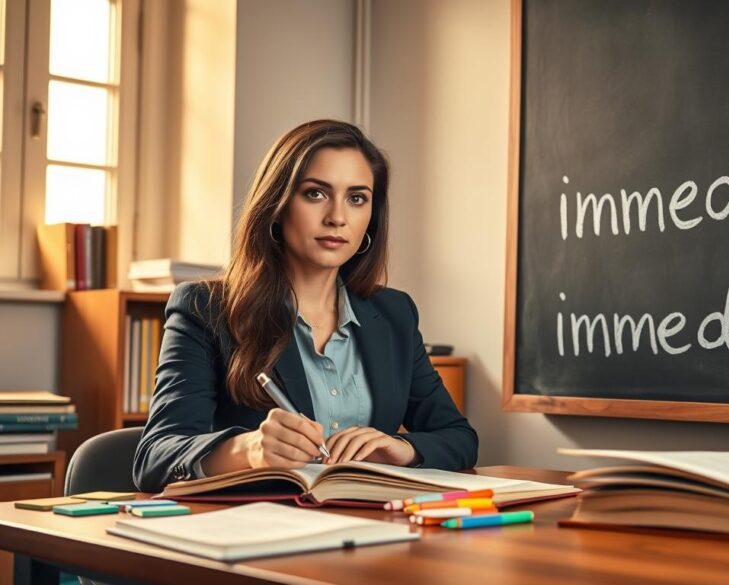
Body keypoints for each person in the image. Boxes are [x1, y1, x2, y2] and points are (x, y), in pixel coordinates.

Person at [133, 120, 478, 492]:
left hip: (371, 526)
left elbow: (459, 438)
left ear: (371, 219)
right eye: (315, 194)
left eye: (357, 198)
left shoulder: (394, 313)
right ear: (277, 205)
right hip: (257, 532)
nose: (337, 217)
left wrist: (402, 448)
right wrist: (248, 450)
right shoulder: (205, 309)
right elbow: (155, 457)